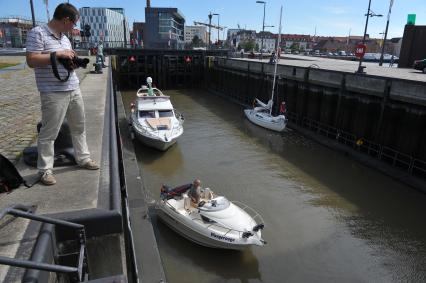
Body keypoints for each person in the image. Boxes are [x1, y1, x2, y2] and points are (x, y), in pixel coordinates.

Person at [26, 3, 99, 186]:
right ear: (66, 20)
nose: (74, 28)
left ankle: (83, 159)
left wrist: (71, 63)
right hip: (53, 92)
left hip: (73, 88)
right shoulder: (38, 33)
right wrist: (58, 54)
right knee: (49, 132)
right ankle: (45, 170)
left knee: (79, 127)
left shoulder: (64, 38)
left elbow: (61, 61)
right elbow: (32, 60)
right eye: (73, 24)